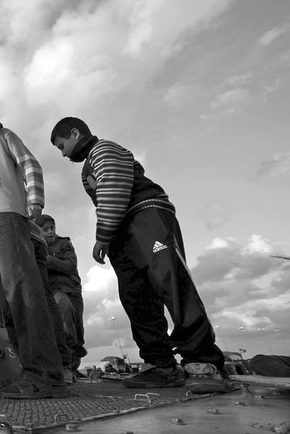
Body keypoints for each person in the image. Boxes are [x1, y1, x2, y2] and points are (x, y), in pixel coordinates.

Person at [49, 116, 227, 393]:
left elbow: (114, 188)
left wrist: (102, 236)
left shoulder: (104, 150)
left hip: (146, 216)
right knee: (136, 296)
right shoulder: (89, 164)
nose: (63, 154)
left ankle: (203, 361)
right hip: (122, 232)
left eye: (62, 146)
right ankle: (161, 365)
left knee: (171, 283)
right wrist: (111, 236)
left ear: (75, 133)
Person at [0, 101, 69, 399]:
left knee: (22, 289)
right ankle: (29, 369)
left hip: (11, 216)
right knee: (8, 298)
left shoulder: (4, 137)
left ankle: (45, 374)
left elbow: (29, 164)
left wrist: (35, 199)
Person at [35, 214, 88, 372]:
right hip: (55, 292)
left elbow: (70, 266)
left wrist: (48, 260)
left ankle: (74, 364)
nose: (51, 232)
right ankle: (65, 364)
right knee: (64, 312)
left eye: (52, 228)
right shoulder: (36, 247)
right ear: (39, 232)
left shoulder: (65, 244)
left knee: (77, 328)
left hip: (72, 290)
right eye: (45, 230)